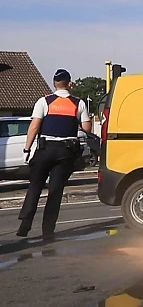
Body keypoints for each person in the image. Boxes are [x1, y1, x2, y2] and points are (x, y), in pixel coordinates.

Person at [17, 69, 92, 240]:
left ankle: (26, 222)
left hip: (45, 149)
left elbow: (34, 127)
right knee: (55, 191)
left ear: (54, 83)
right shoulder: (78, 103)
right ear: (70, 83)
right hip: (66, 152)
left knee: (35, 185)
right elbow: (87, 128)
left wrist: (27, 149)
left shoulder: (44, 101)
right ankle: (48, 230)